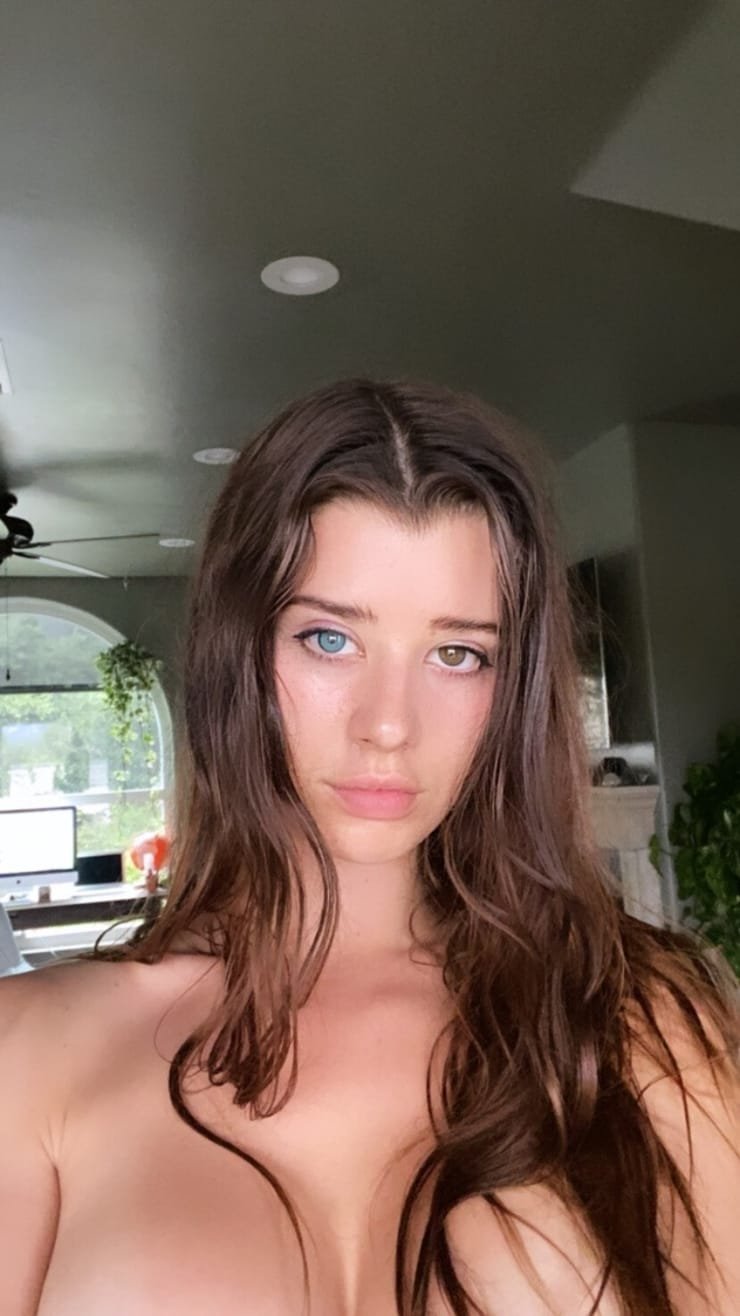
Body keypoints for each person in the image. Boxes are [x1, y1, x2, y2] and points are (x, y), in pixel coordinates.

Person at [1, 378, 738, 1316]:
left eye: (457, 653)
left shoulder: (646, 1026)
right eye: (328, 639)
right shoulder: (33, 1051)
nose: (389, 725)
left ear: (510, 692)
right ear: (239, 653)